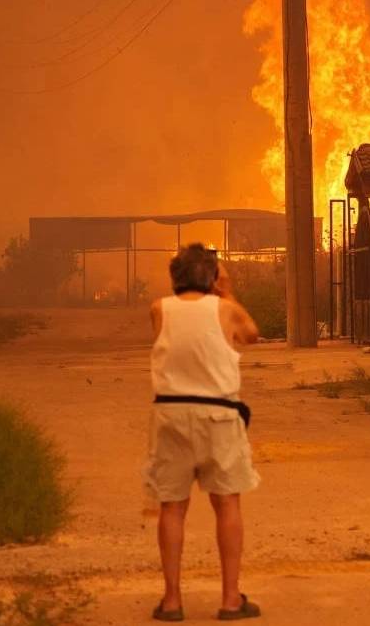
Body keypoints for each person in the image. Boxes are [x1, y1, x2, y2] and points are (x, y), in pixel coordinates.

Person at [144, 243, 263, 621]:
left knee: (172, 507)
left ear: (174, 277)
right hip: (218, 415)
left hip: (171, 414)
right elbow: (251, 335)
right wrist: (225, 289)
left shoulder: (159, 309)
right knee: (227, 503)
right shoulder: (225, 308)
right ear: (212, 277)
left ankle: (172, 601)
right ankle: (230, 600)